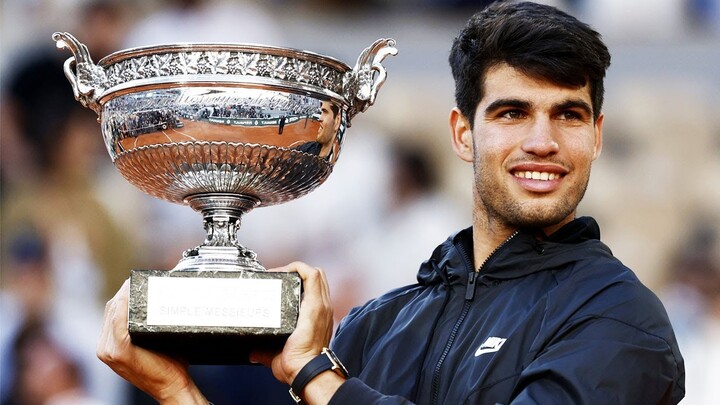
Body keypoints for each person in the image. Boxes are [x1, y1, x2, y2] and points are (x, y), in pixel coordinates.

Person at [95, 2, 685, 404]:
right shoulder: (378, 325)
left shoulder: (621, 318)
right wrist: (176, 392)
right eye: (511, 112)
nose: (542, 141)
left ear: (597, 136)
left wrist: (318, 381)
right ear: (462, 133)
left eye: (568, 115)